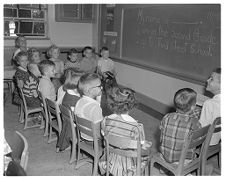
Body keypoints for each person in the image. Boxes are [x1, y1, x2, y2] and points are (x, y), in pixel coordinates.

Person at [98, 87, 151, 176]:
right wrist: (146, 144)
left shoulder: (106, 120)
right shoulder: (137, 126)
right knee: (147, 154)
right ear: (132, 106)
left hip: (110, 158)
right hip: (129, 164)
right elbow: (140, 145)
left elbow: (104, 135)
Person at [159, 88, 201, 166]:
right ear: (193, 107)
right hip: (183, 161)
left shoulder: (166, 117)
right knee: (195, 152)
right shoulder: (195, 122)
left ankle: (166, 168)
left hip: (164, 156)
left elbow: (161, 136)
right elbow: (198, 140)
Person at [56, 69, 82, 152]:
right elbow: (78, 118)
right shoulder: (75, 100)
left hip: (67, 121)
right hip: (74, 126)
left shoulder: (68, 93)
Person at [74, 73, 103, 140]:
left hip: (82, 135)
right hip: (93, 141)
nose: (101, 88)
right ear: (89, 90)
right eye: (99, 86)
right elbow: (97, 134)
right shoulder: (96, 108)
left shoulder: (79, 101)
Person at [199, 68, 221, 146]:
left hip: (208, 142)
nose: (207, 80)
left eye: (211, 79)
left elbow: (201, 130)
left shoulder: (209, 104)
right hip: (218, 140)